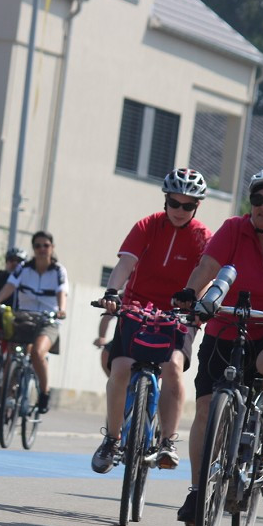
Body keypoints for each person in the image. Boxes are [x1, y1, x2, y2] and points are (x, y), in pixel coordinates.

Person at [172, 167, 263, 526]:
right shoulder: (233, 230)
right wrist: (191, 293)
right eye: (258, 198)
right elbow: (207, 265)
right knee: (206, 410)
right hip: (227, 322)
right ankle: (196, 492)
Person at [91, 168, 212, 474]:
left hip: (179, 313)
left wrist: (200, 304)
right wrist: (111, 292)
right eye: (175, 203)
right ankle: (112, 439)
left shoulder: (203, 236)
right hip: (137, 307)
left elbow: (208, 275)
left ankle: (168, 442)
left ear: (196, 206)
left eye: (188, 205)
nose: (180, 211)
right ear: (165, 201)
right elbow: (125, 264)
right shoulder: (147, 226)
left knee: (172, 366)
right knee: (119, 367)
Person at [0, 231, 69, 414]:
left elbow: (62, 291)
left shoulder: (59, 270)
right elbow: (10, 286)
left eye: (46, 245)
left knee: (37, 352)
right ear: (33, 249)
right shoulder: (23, 269)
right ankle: (4, 399)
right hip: (23, 317)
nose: (42, 249)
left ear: (52, 248)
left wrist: (61, 309)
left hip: (48, 320)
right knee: (12, 357)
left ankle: (44, 393)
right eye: (38, 246)